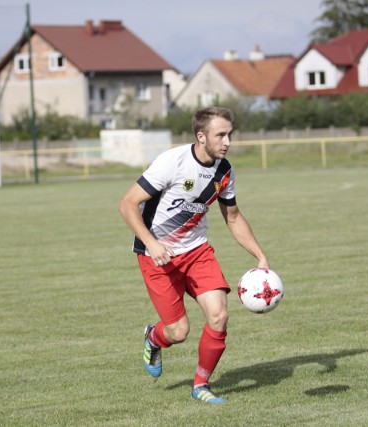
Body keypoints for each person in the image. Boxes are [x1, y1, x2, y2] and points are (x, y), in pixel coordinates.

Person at [118, 106, 269, 404]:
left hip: (197, 251)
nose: (227, 142)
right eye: (220, 135)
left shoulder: (225, 171)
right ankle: (153, 338)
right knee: (178, 331)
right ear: (201, 136)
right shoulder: (171, 162)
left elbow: (234, 217)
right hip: (157, 257)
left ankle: (201, 385)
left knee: (219, 315)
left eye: (230, 134)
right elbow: (127, 204)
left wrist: (260, 257)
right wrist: (151, 242)